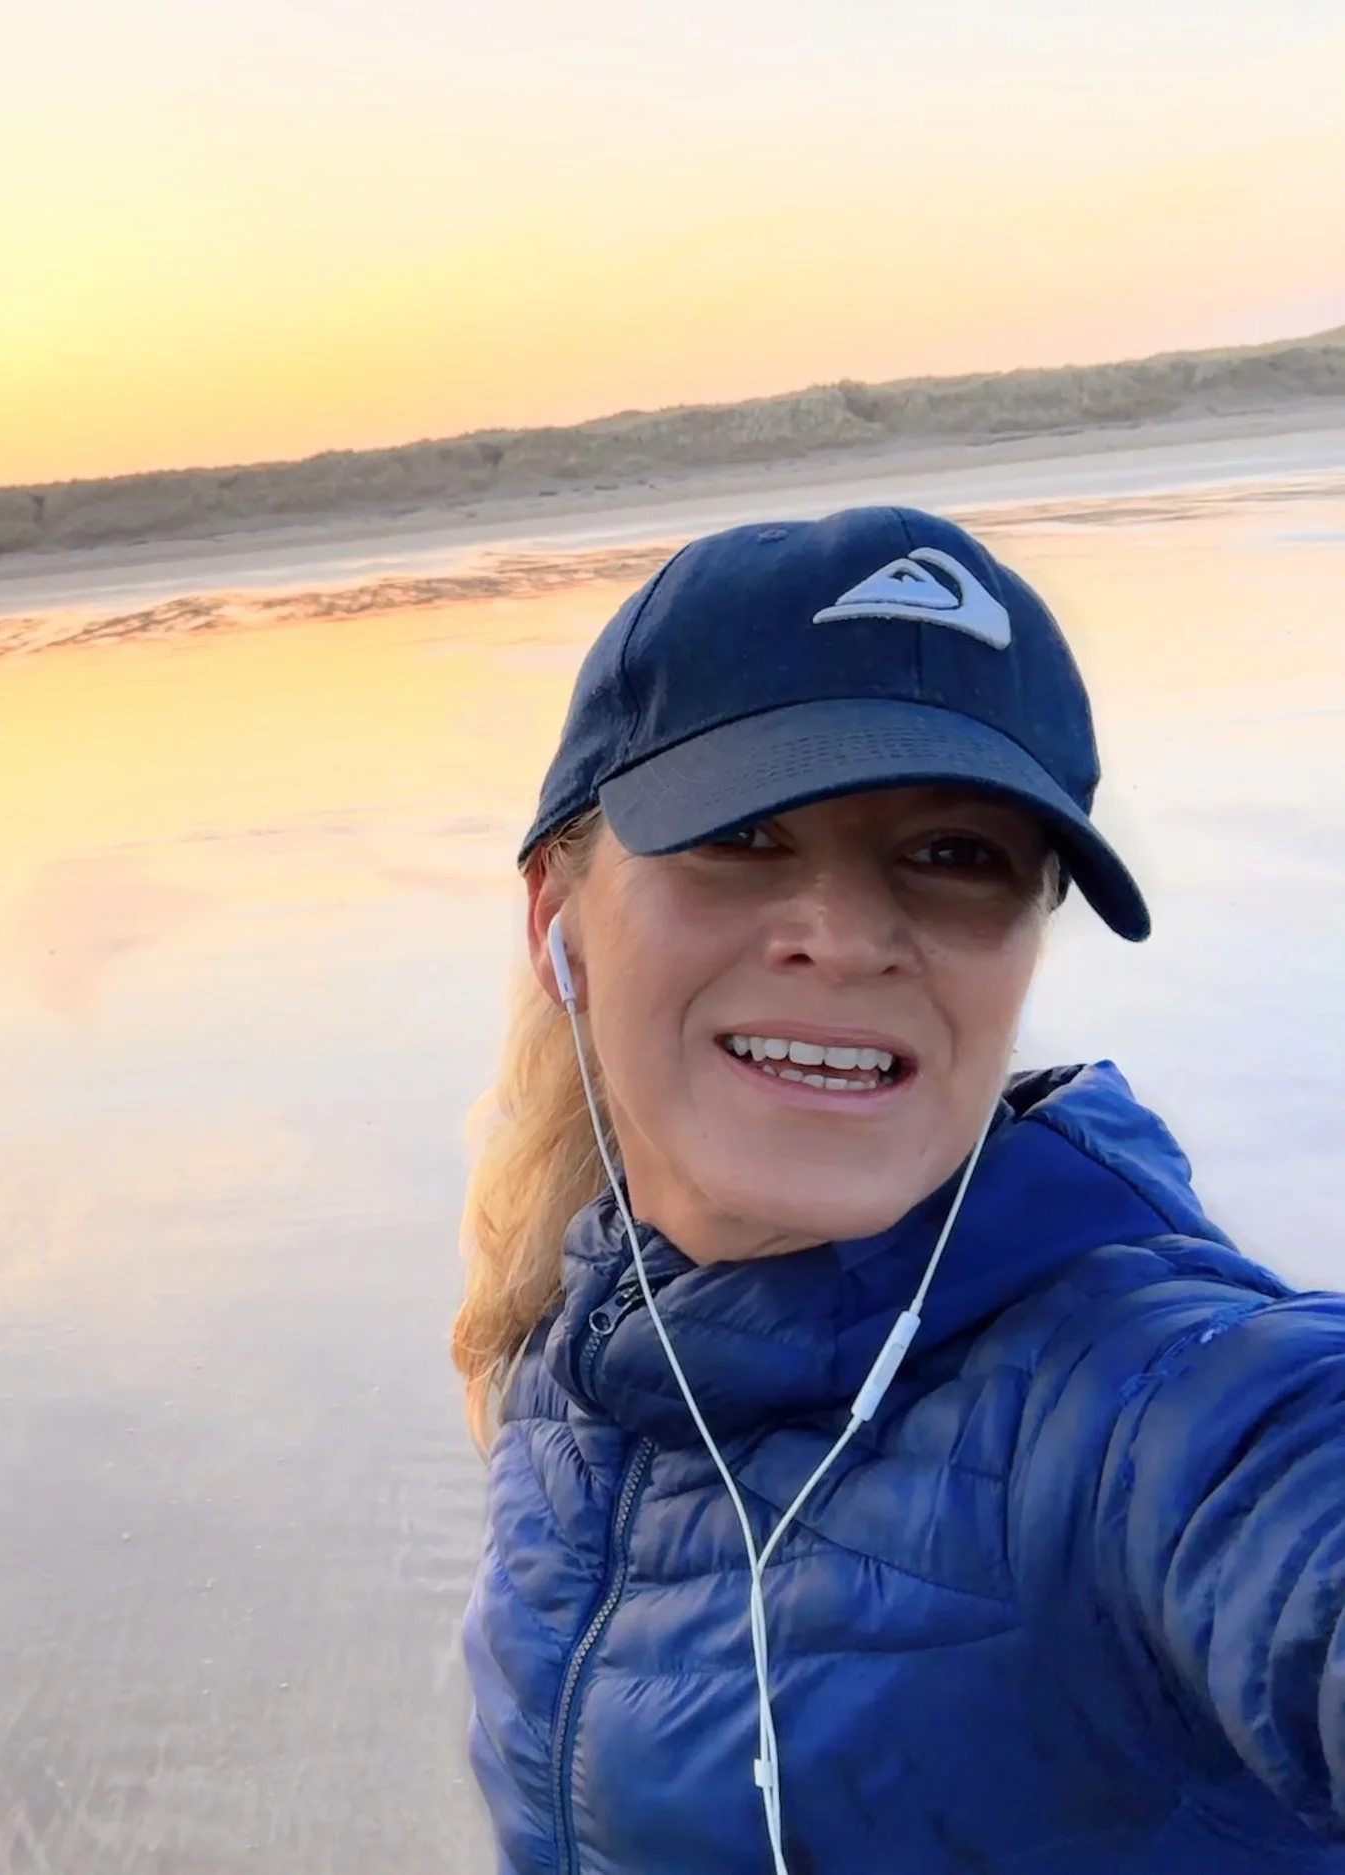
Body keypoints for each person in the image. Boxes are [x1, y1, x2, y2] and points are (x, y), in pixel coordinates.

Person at [452, 506, 1345, 1874]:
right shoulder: (569, 1370)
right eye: (745, 831)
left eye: (952, 856)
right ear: (554, 916)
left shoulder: (1146, 1402)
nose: (848, 935)